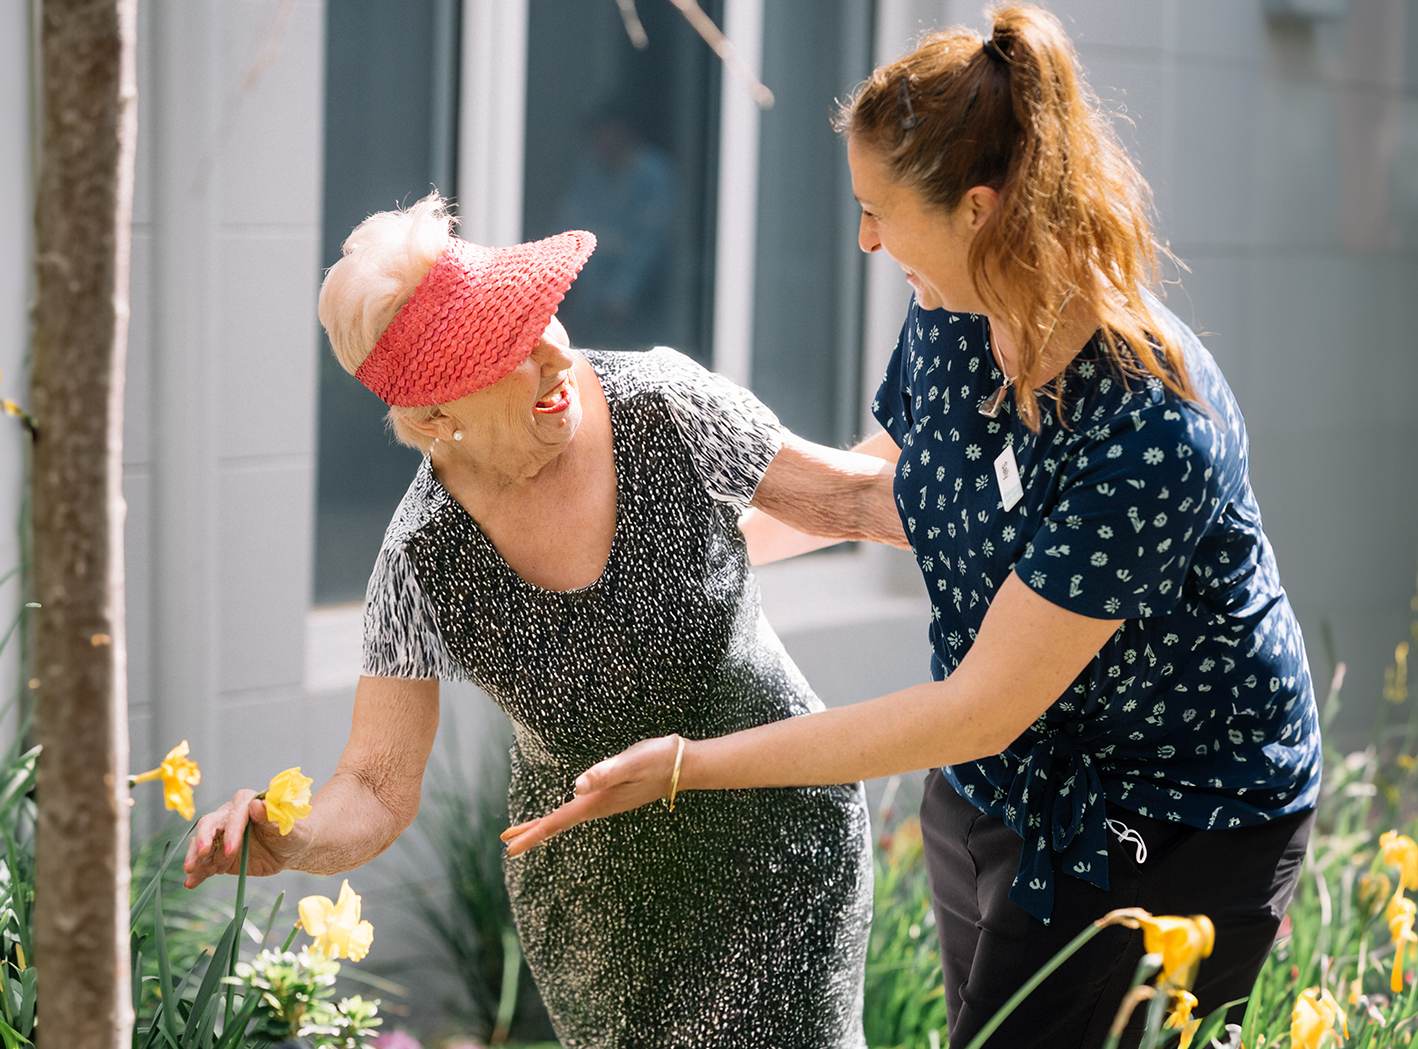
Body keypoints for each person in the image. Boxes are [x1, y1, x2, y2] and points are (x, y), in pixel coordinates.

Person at [503, 7, 1321, 1048]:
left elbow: (971, 707)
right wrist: (637, 573)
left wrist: (686, 762)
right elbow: (877, 490)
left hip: (1170, 812)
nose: (866, 239)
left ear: (978, 207)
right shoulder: (957, 308)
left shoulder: (1153, 433)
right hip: (996, 778)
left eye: (879, 210)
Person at [182, 193, 908, 1048]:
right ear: (435, 416)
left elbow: (854, 499)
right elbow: (377, 786)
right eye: (508, 348)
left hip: (781, 833)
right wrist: (291, 836)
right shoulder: (421, 561)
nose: (556, 350)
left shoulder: (663, 406)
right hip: (608, 914)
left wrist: (1045, 500)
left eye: (542, 314)